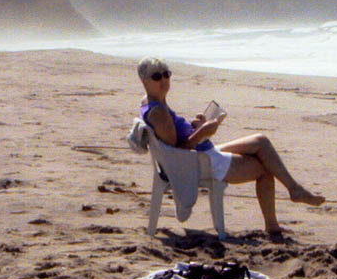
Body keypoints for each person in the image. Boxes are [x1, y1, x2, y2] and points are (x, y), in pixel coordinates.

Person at [137, 56, 324, 237]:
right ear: (144, 81)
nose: (164, 80)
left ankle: (293, 190)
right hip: (200, 162)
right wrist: (204, 132)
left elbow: (176, 139)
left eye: (166, 74)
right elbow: (179, 152)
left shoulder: (151, 102)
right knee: (266, 168)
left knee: (260, 140)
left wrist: (195, 126)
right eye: (156, 76)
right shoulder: (158, 112)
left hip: (203, 153)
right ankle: (277, 217)